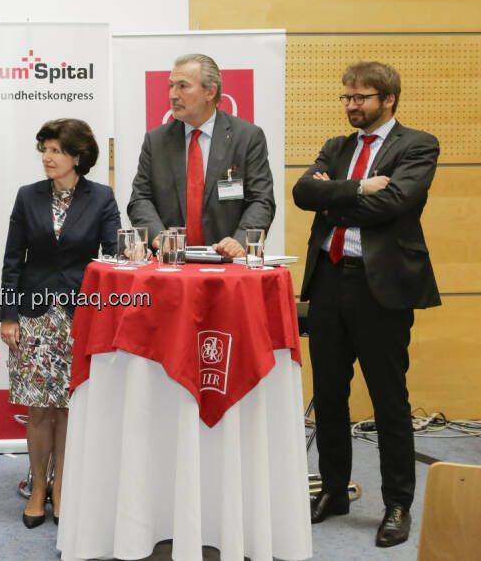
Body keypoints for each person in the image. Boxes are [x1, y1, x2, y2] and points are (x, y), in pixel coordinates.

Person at [293, 61, 440, 548]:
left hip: (383, 289)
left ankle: (398, 503)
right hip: (330, 283)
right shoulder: (337, 148)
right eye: (348, 97)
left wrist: (332, 198)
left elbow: (394, 204)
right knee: (330, 397)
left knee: (388, 400)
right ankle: (334, 491)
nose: (353, 105)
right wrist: (356, 187)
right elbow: (302, 194)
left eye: (362, 98)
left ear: (388, 99)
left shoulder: (416, 145)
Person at [0, 118, 120, 529]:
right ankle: (37, 488)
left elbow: (113, 257)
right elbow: (13, 259)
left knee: (68, 409)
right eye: (44, 150)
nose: (47, 158)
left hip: (78, 316)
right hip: (33, 316)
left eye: (56, 150)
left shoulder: (102, 198)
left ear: (78, 156)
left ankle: (63, 486)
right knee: (38, 409)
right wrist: (8, 314)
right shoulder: (27, 196)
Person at [127, 53, 274, 257]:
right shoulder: (156, 140)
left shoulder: (247, 137)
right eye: (171, 85)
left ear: (210, 92)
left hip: (228, 262)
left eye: (183, 86)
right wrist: (157, 236)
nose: (173, 94)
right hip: (171, 263)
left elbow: (261, 200)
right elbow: (140, 199)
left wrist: (240, 240)